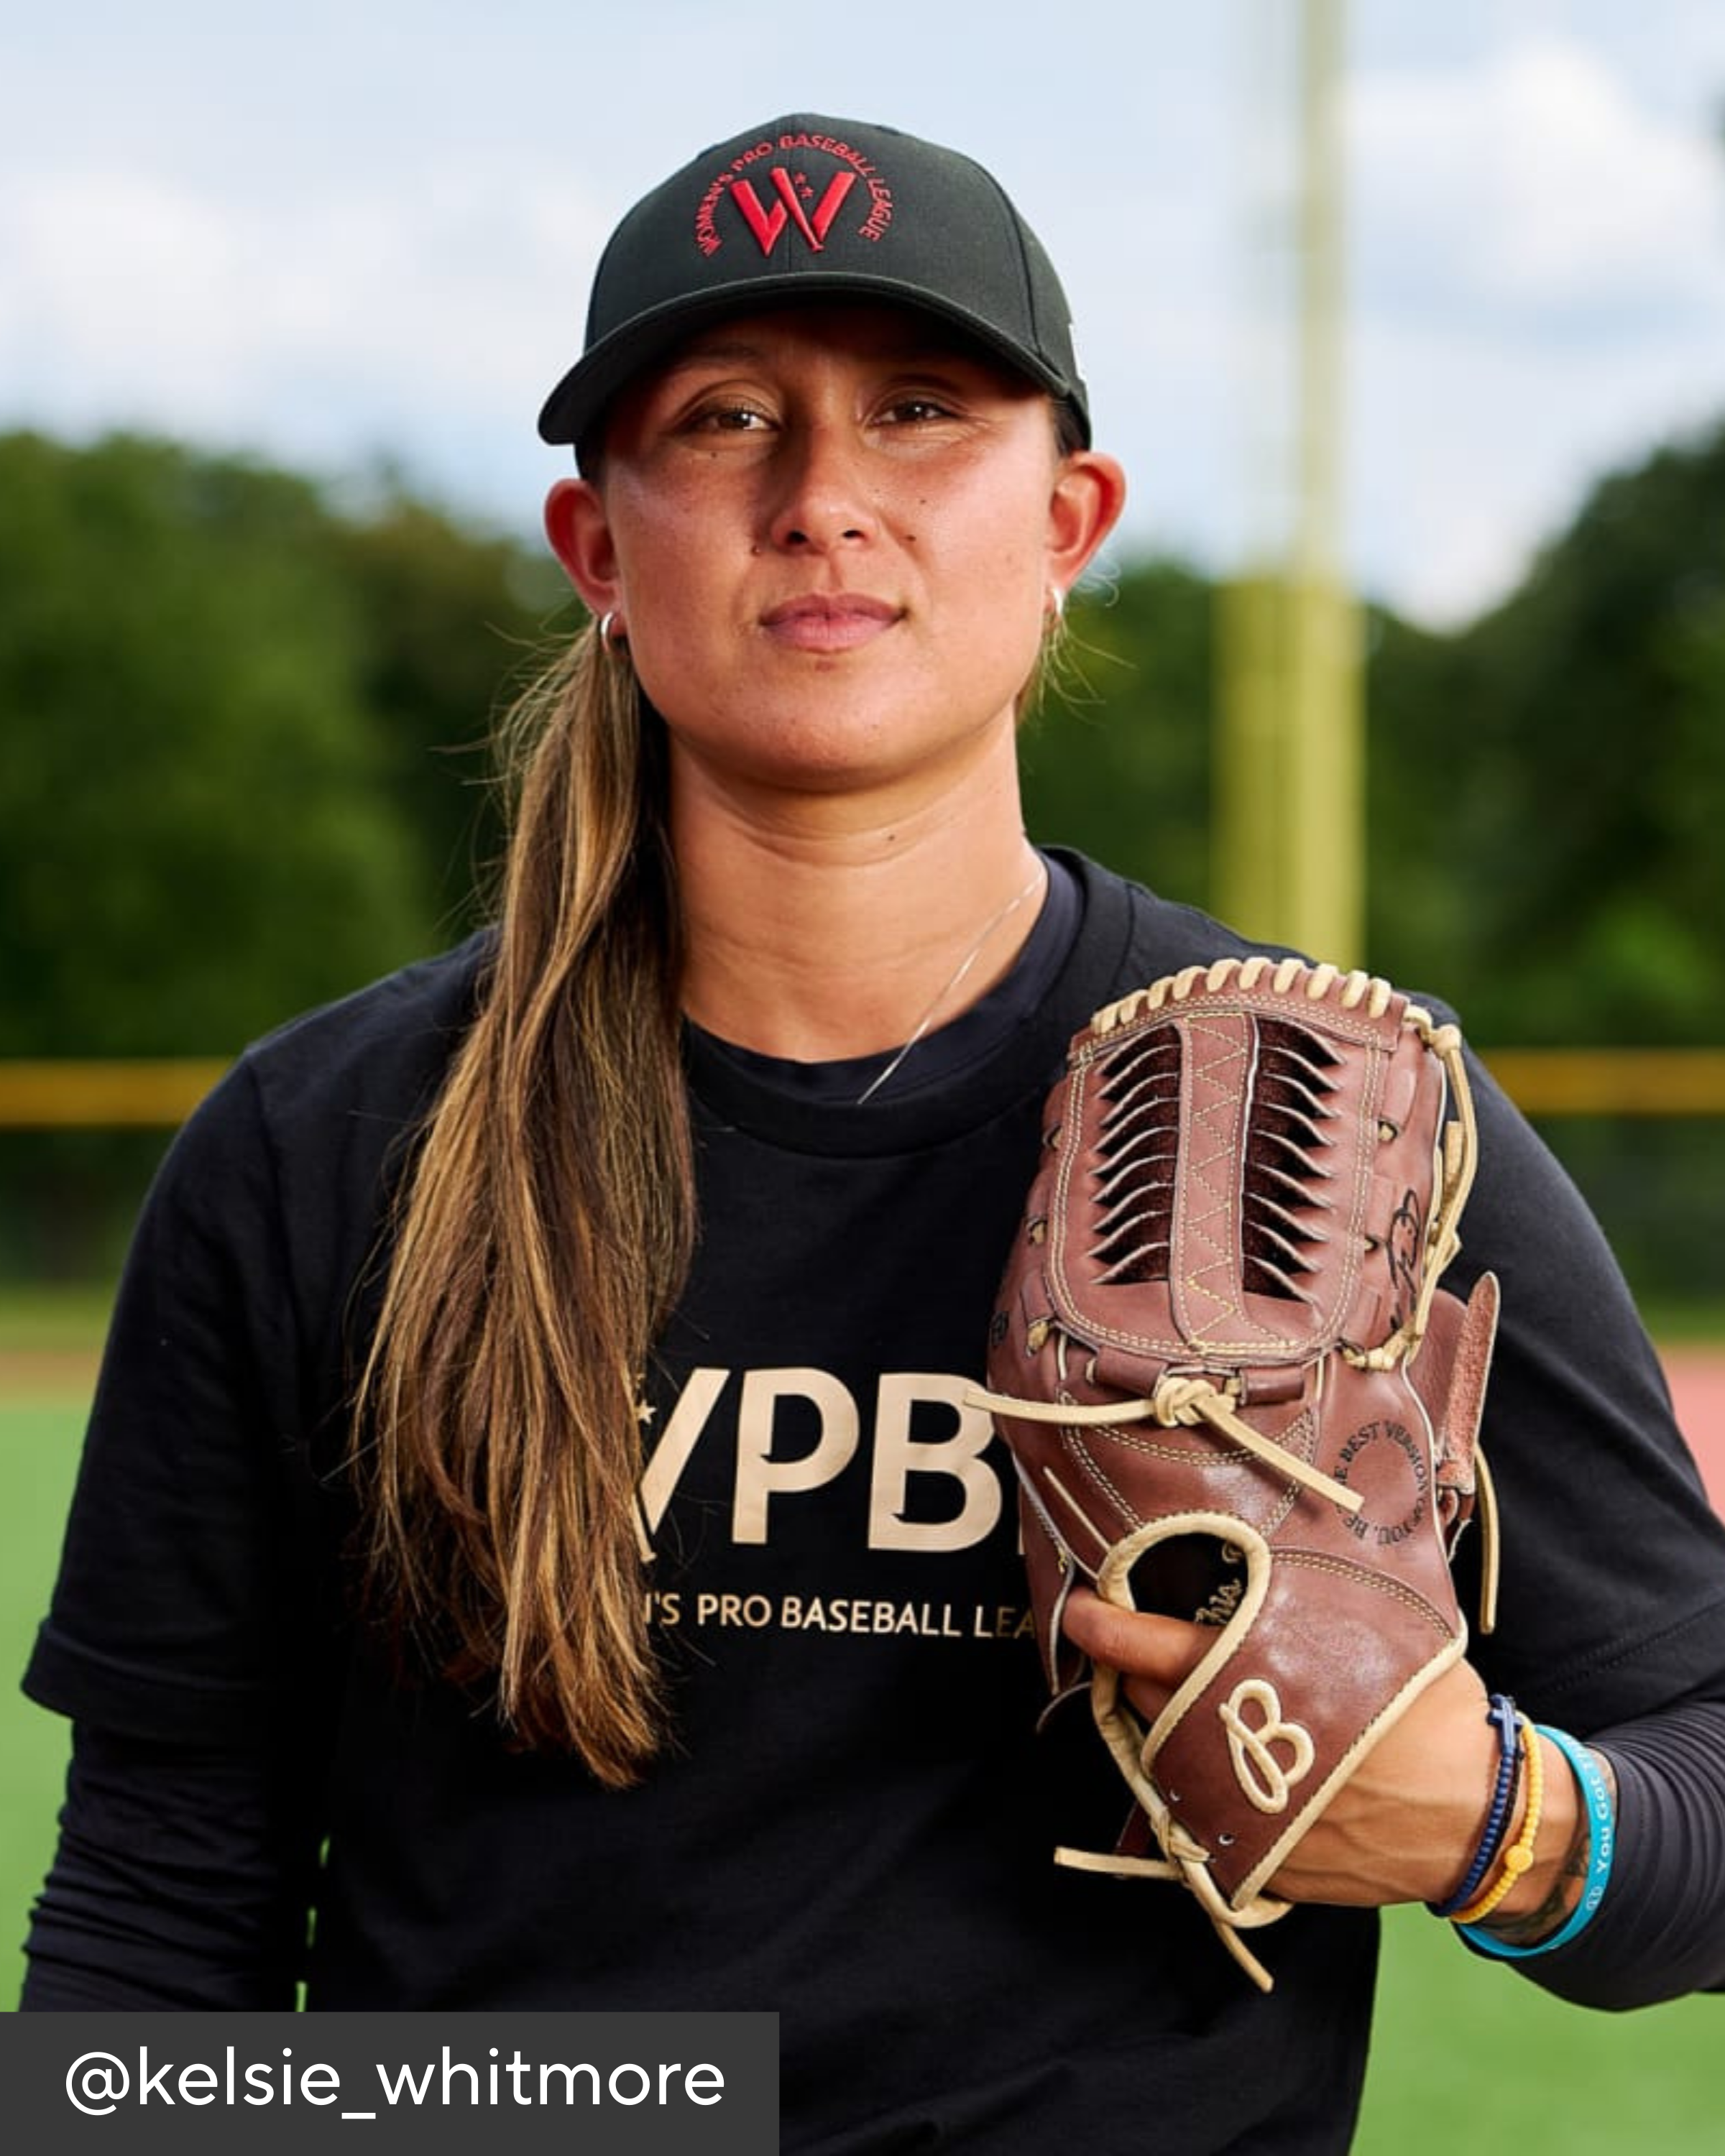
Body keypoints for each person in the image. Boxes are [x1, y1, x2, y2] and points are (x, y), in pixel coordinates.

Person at [17, 109, 1725, 2152]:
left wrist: (1504, 1826)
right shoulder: (332, 1144)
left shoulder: (1325, 1116)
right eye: (727, 421)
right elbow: (159, 1921)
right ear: (595, 548)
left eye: (920, 411)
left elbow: (1696, 1800)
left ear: (1070, 517)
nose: (825, 500)